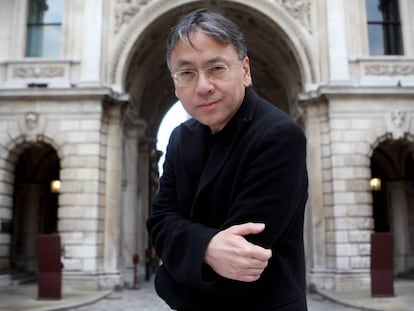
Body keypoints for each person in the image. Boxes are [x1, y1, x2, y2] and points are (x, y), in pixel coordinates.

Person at [146, 8, 308, 310]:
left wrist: (170, 277)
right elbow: (159, 223)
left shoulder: (280, 136)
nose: (203, 86)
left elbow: (243, 259)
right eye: (186, 73)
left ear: (245, 70)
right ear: (174, 82)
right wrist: (207, 248)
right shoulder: (180, 138)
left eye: (216, 68)